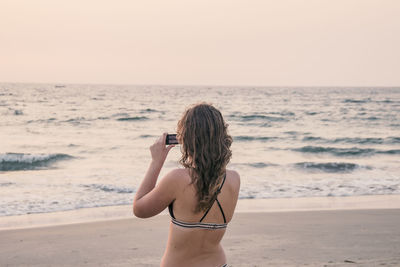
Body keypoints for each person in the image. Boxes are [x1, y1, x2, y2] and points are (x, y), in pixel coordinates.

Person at [133, 103, 241, 267]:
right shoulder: (233, 179)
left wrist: (156, 162)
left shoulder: (178, 179)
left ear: (186, 138)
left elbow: (140, 209)